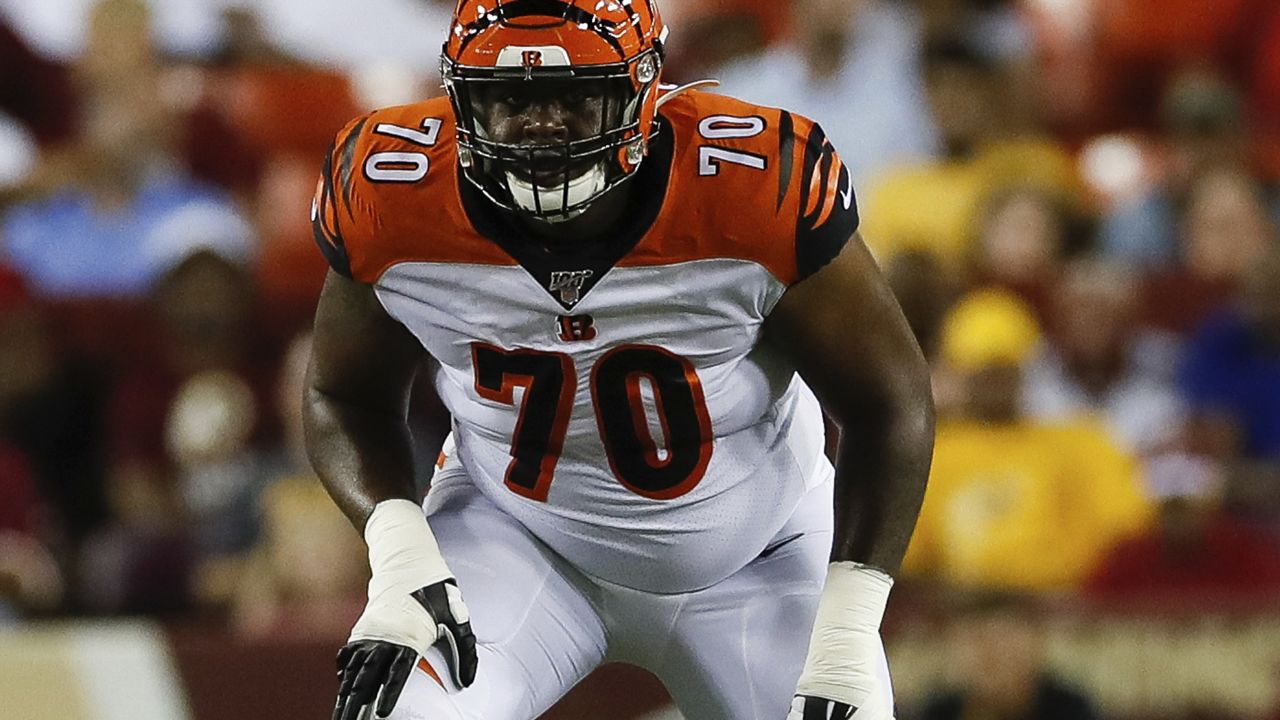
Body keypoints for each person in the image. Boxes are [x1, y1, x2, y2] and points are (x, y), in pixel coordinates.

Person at [302, 2, 935, 720]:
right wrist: (399, 550)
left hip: (759, 552)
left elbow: (891, 402)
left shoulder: (754, 189)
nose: (541, 124)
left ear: (642, 90)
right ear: (460, 96)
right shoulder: (394, 194)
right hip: (514, 534)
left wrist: (849, 622)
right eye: (510, 96)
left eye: (574, 94)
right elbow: (342, 395)